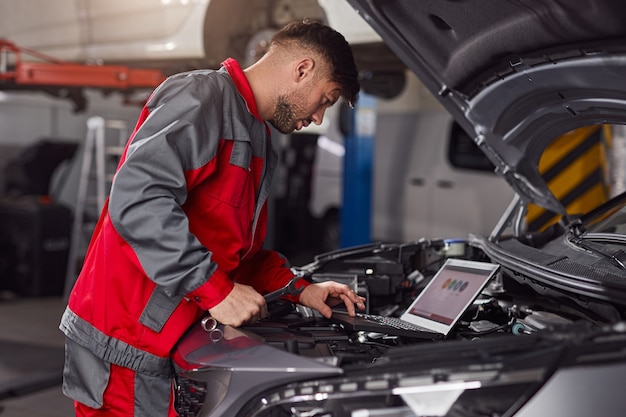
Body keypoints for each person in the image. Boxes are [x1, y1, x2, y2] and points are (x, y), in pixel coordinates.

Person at [59, 18, 364, 417]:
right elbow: (138, 199)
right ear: (302, 70)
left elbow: (235, 253)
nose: (320, 117)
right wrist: (215, 290)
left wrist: (298, 287)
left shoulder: (257, 137)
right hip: (126, 343)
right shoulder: (202, 97)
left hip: (168, 341)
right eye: (326, 98)